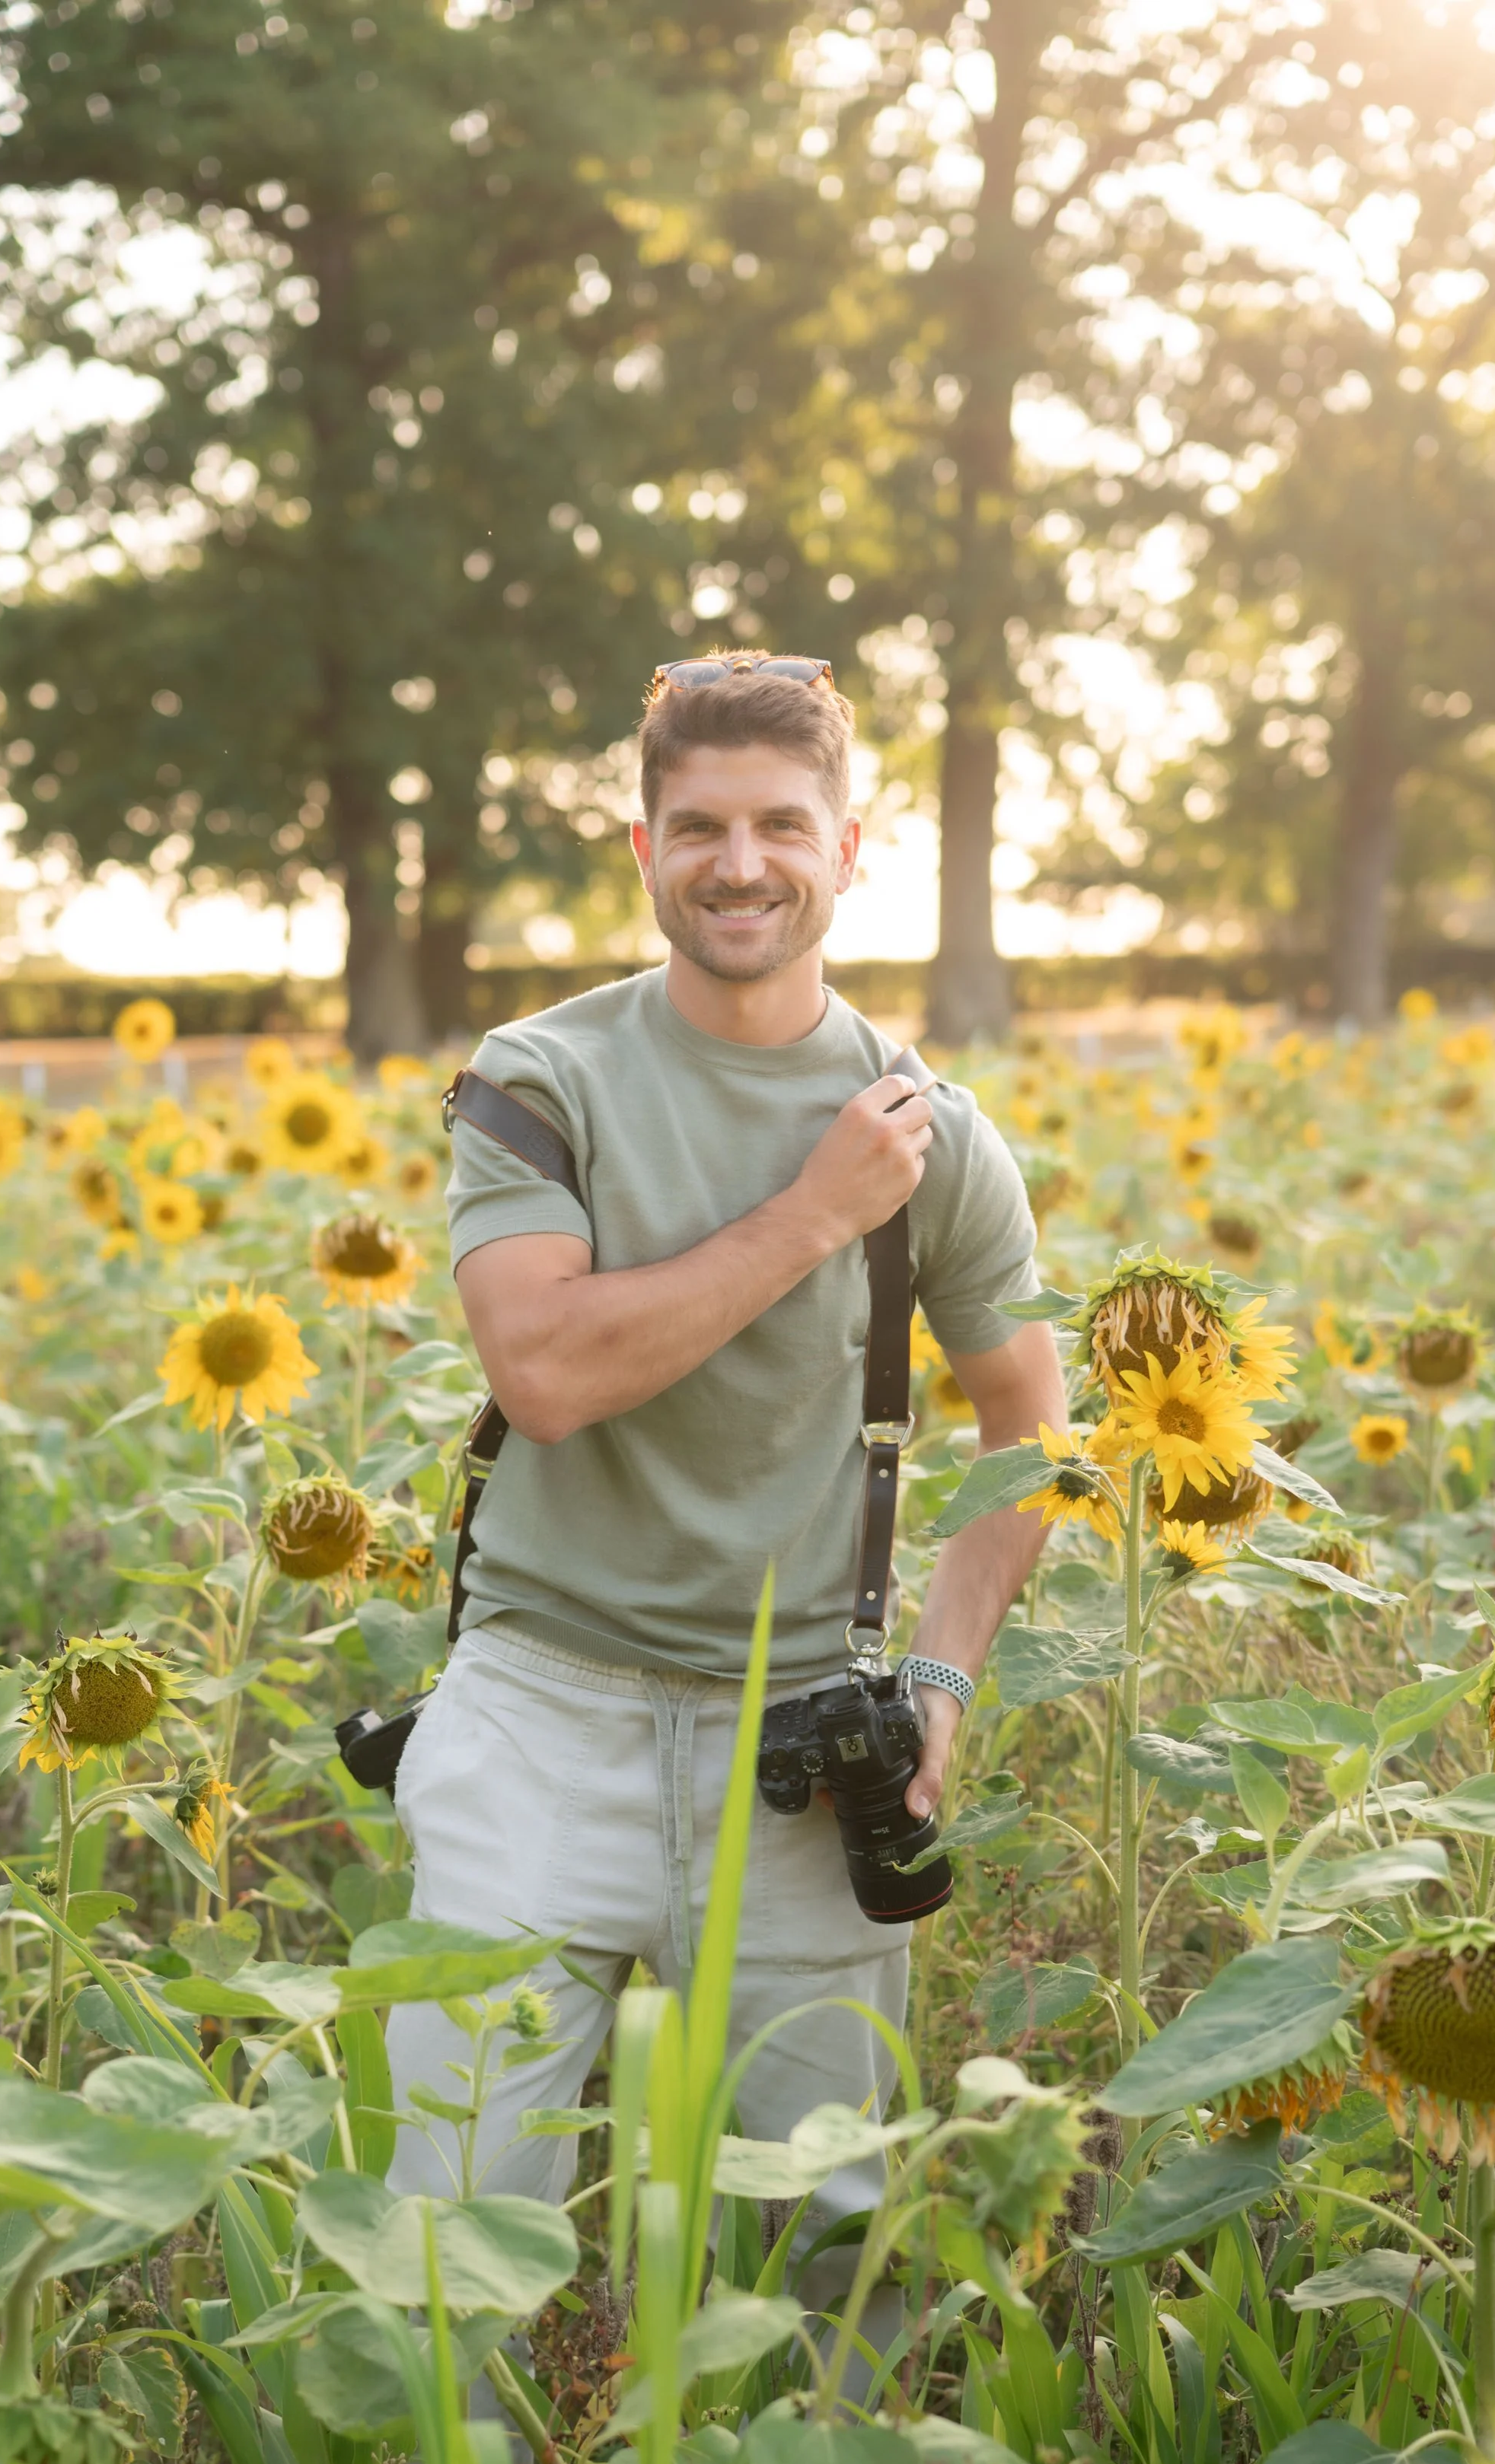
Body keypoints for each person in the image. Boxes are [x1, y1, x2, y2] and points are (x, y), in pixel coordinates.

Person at [384, 652, 1066, 2352]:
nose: (739, 862)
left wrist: (944, 1674)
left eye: (780, 824)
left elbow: (1029, 1434)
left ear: (851, 848)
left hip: (799, 1750)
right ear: (642, 849)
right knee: (448, 2237)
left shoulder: (939, 1135)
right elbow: (543, 1369)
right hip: (541, 1714)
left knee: (829, 2255)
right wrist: (816, 1214)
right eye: (700, 827)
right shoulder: (543, 1080)